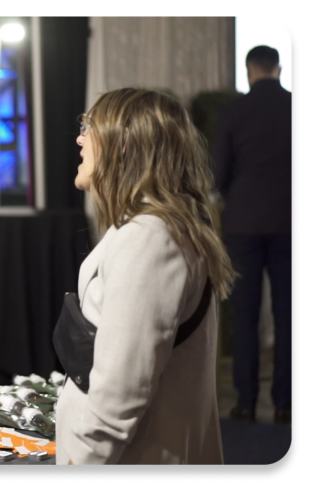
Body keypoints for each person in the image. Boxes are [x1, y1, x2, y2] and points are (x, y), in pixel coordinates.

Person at [55, 88, 235, 465]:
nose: (80, 138)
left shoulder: (150, 238)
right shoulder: (155, 228)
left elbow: (120, 393)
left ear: (123, 145)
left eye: (89, 126)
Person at [211, 46, 293, 424]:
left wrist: (235, 197)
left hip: (243, 223)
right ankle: (285, 404)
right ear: (278, 68)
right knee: (287, 315)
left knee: (244, 316)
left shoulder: (234, 111)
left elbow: (218, 173)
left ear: (249, 71)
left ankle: (245, 402)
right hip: (287, 224)